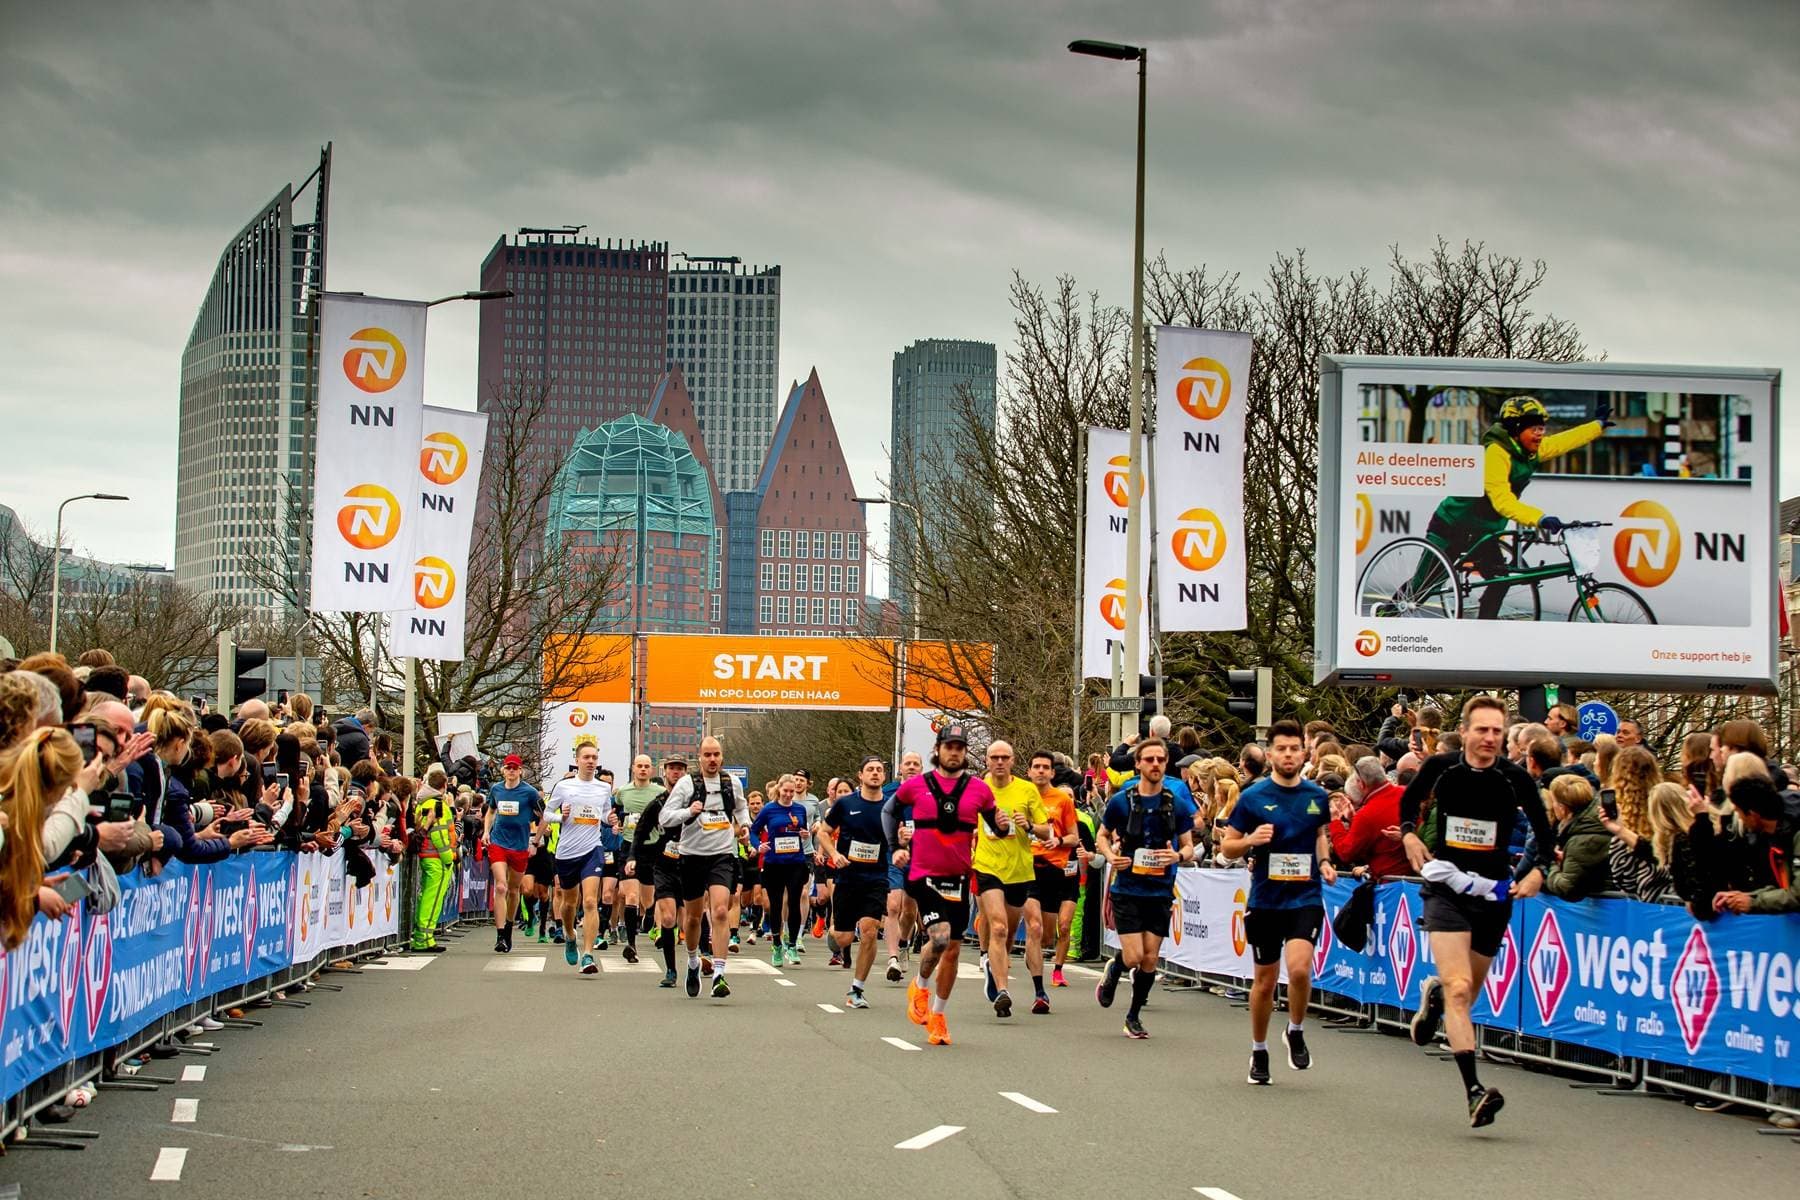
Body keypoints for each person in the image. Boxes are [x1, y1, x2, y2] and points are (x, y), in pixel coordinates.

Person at [1400, 695, 1554, 1128]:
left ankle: (1435, 998)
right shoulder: (1440, 767)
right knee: (1461, 988)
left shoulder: (1515, 778)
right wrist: (1410, 835)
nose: (1489, 738)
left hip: (1492, 893)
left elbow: (1545, 832)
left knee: (1467, 992)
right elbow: (1408, 803)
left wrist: (1538, 871)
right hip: (1446, 884)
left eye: (1497, 732)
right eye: (1482, 729)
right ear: (1464, 731)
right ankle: (1473, 1090)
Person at [1411, 395, 1608, 619]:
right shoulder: (1496, 453)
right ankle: (1385, 616)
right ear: (1516, 429)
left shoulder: (1529, 451)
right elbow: (1502, 501)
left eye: (1542, 428)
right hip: (1453, 524)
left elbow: (1563, 442)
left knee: (1500, 579)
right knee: (1422, 588)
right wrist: (1539, 518)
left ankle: (1483, 628)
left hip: (1483, 531)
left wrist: (1597, 426)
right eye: (1534, 428)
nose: (1540, 433)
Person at [1220, 719, 1335, 1079]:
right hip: (1267, 899)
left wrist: (1326, 861)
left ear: (1303, 752)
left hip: (1305, 896)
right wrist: (1251, 840)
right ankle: (1259, 1050)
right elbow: (1227, 845)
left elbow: (1320, 834)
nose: (1288, 755)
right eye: (1281, 749)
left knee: (1300, 968)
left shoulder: (1316, 796)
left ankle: (1296, 1030)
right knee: (1266, 981)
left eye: (1294, 748)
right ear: (1269, 755)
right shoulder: (1253, 796)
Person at [894, 723, 1000, 1046]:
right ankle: (921, 985)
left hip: (958, 877)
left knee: (952, 951)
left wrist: (1005, 826)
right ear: (937, 749)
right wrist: (896, 844)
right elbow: (890, 811)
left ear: (965, 752)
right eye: (948, 746)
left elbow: (997, 824)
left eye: (959, 747)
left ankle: (938, 1015)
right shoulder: (917, 785)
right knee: (938, 939)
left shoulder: (980, 789)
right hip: (923, 875)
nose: (954, 752)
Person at [1095, 738, 1198, 1039]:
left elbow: (1190, 846)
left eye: (1160, 760)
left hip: (1160, 888)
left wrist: (1178, 855)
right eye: (1149, 759)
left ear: (1166, 764)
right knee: (1134, 956)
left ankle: (1133, 1016)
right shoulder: (1122, 800)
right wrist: (1112, 856)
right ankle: (1115, 969)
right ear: (1137, 764)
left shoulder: (1176, 803)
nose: (1155, 764)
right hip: (1127, 887)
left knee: (1151, 958)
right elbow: (1102, 835)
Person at [659, 736, 748, 998]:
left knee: (720, 910)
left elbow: (741, 810)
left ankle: (719, 973)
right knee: (694, 918)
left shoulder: (731, 783)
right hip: (692, 856)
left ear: (722, 757)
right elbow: (666, 817)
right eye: (707, 755)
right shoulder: (688, 784)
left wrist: (745, 827)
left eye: (716, 755)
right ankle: (693, 961)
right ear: (700, 757)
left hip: (721, 854)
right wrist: (689, 812)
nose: (712, 760)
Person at [971, 739, 1052, 1019]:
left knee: (1006, 935)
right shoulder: (977, 789)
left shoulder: (1027, 790)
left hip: (1019, 870)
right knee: (999, 927)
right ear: (987, 760)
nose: (1000, 762)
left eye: (1005, 757)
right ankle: (1003, 991)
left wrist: (1028, 825)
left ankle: (995, 972)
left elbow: (1047, 832)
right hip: (987, 866)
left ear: (1013, 761)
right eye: (995, 757)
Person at [819, 756, 895, 1008]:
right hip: (847, 876)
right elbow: (823, 832)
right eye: (870, 770)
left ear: (884, 777)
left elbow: (900, 836)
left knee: (870, 930)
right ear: (860, 775)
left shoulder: (890, 807)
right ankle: (834, 934)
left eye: (879, 770)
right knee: (843, 937)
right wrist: (835, 854)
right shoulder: (845, 804)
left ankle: (857, 989)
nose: (875, 773)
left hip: (876, 877)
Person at [550, 742, 613, 975]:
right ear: (577, 761)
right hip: (567, 851)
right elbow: (547, 813)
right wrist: (560, 817)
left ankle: (587, 955)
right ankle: (569, 934)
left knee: (589, 902)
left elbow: (605, 814)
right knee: (568, 904)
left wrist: (611, 819)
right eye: (586, 757)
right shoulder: (564, 786)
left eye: (594, 757)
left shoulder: (603, 788)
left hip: (592, 849)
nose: (590, 761)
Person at [1023, 749, 1081, 1003]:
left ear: (1052, 772)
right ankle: (1039, 991)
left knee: (1046, 936)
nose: (1041, 771)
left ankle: (1034, 954)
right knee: (1033, 927)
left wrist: (1057, 840)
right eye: (1036, 766)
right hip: (1027, 868)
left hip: (1055, 869)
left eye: (1045, 767)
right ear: (1029, 771)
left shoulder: (1062, 800)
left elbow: (1074, 837)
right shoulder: (1020, 797)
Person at [628, 753, 685, 986]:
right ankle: (671, 971)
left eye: (680, 768)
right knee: (669, 917)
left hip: (691, 865)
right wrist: (632, 857)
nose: (676, 772)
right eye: (672, 768)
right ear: (665, 772)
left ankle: (696, 960)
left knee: (691, 919)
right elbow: (640, 832)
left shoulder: (696, 801)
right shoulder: (658, 803)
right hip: (663, 865)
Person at [1713, 774, 1799, 915]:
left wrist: (1754, 902)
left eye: (1739, 812)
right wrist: (1744, 896)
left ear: (1753, 814)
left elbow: (1797, 894)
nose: (1739, 819)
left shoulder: (1795, 834)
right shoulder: (1774, 836)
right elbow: (1783, 888)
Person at [483, 753, 544, 953]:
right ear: (503, 770)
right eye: (507, 768)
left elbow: (545, 817)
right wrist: (485, 832)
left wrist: (535, 841)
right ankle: (500, 935)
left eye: (514, 768)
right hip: (498, 842)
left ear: (520, 771)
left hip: (519, 846)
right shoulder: (496, 789)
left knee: (513, 889)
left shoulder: (530, 793)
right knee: (500, 886)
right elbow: (491, 811)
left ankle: (509, 925)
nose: (511, 771)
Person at [749, 773, 811, 965]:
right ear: (778, 790)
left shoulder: (800, 809)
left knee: (794, 903)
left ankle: (791, 945)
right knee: (775, 906)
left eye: (792, 792)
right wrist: (759, 845)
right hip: (774, 863)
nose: (788, 795)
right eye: (785, 791)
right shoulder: (769, 809)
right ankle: (777, 944)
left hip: (795, 862)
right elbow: (753, 830)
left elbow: (804, 832)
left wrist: (805, 834)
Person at [609, 754, 661, 964]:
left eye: (646, 766)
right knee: (630, 896)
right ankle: (631, 945)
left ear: (651, 770)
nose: (642, 769)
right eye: (639, 766)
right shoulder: (623, 792)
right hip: (629, 847)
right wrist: (614, 821)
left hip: (652, 847)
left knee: (648, 900)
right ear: (633, 768)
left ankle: (649, 915)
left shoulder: (659, 793)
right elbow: (615, 811)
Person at [1329, 756, 1409, 880]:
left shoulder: (1367, 814)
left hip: (1387, 886)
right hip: (1414, 878)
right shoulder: (1407, 793)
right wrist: (1353, 820)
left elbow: (1346, 852)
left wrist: (1335, 821)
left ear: (1361, 783)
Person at [882, 750, 924, 982]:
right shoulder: (888, 792)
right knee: (893, 905)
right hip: (893, 855)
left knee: (909, 910)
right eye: (907, 763)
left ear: (921, 768)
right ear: (900, 768)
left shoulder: (930, 791)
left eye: (915, 764)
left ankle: (904, 942)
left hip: (918, 857)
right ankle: (893, 958)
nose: (910, 767)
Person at [1542, 775, 1613, 900]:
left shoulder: (1583, 840)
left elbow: (1567, 888)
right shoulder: (1590, 824)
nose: (1552, 806)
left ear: (1562, 808)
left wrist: (1551, 864)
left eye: (1553, 801)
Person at [410, 780, 457, 953]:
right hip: (437, 858)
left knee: (427, 898)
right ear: (444, 786)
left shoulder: (424, 803)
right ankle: (424, 938)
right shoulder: (439, 805)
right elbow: (439, 835)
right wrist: (448, 858)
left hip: (428, 856)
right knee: (433, 899)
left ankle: (425, 937)